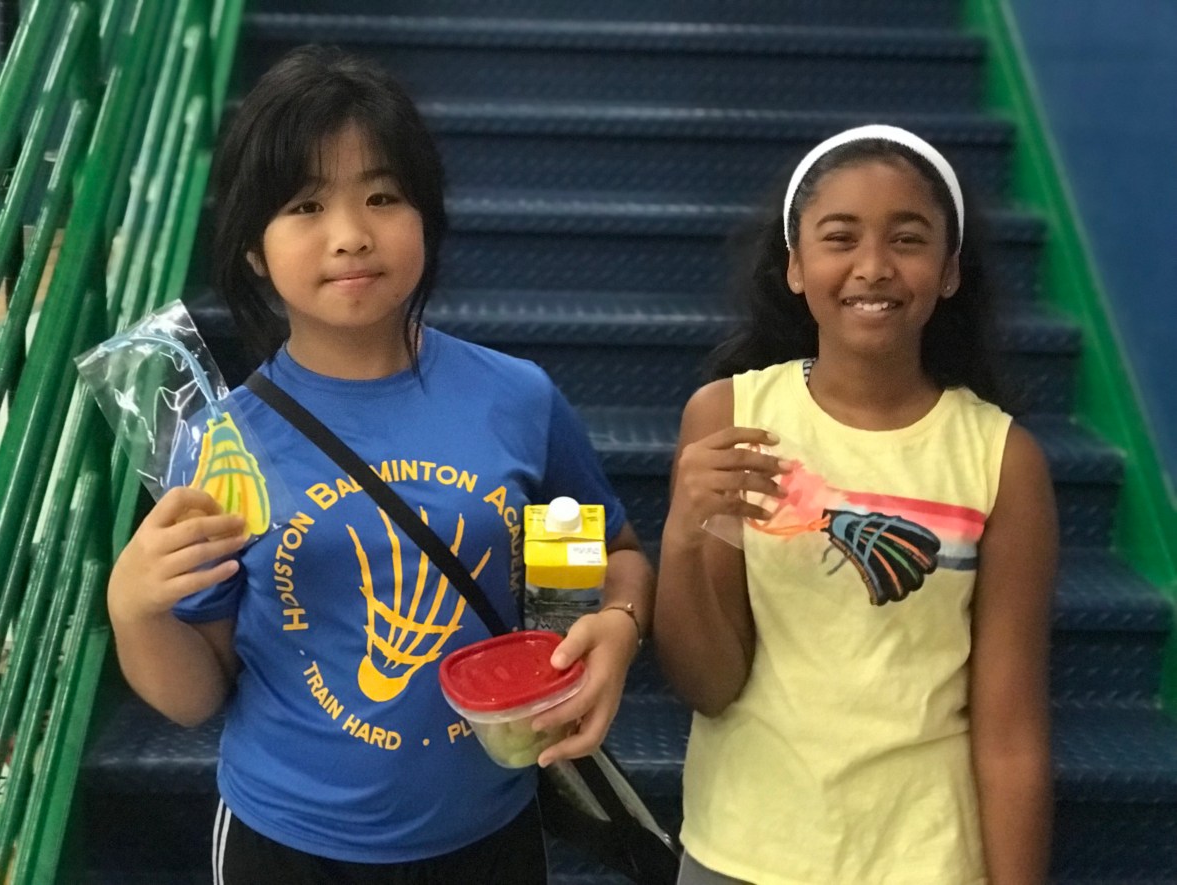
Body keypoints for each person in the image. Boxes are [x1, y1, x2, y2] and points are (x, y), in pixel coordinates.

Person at [106, 45, 654, 885]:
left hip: (489, 829)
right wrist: (135, 608)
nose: (351, 235)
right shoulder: (221, 443)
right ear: (252, 248)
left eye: (383, 196)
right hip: (286, 841)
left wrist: (616, 623)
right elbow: (198, 693)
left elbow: (600, 556)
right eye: (305, 205)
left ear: (425, 217)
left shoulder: (516, 399)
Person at [655, 124, 1057, 885]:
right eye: (840, 238)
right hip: (745, 847)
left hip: (926, 859)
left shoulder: (1002, 458)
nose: (873, 266)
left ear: (949, 271)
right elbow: (710, 683)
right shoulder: (731, 418)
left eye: (908, 239)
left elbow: (1011, 735)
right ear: (795, 264)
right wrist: (680, 539)